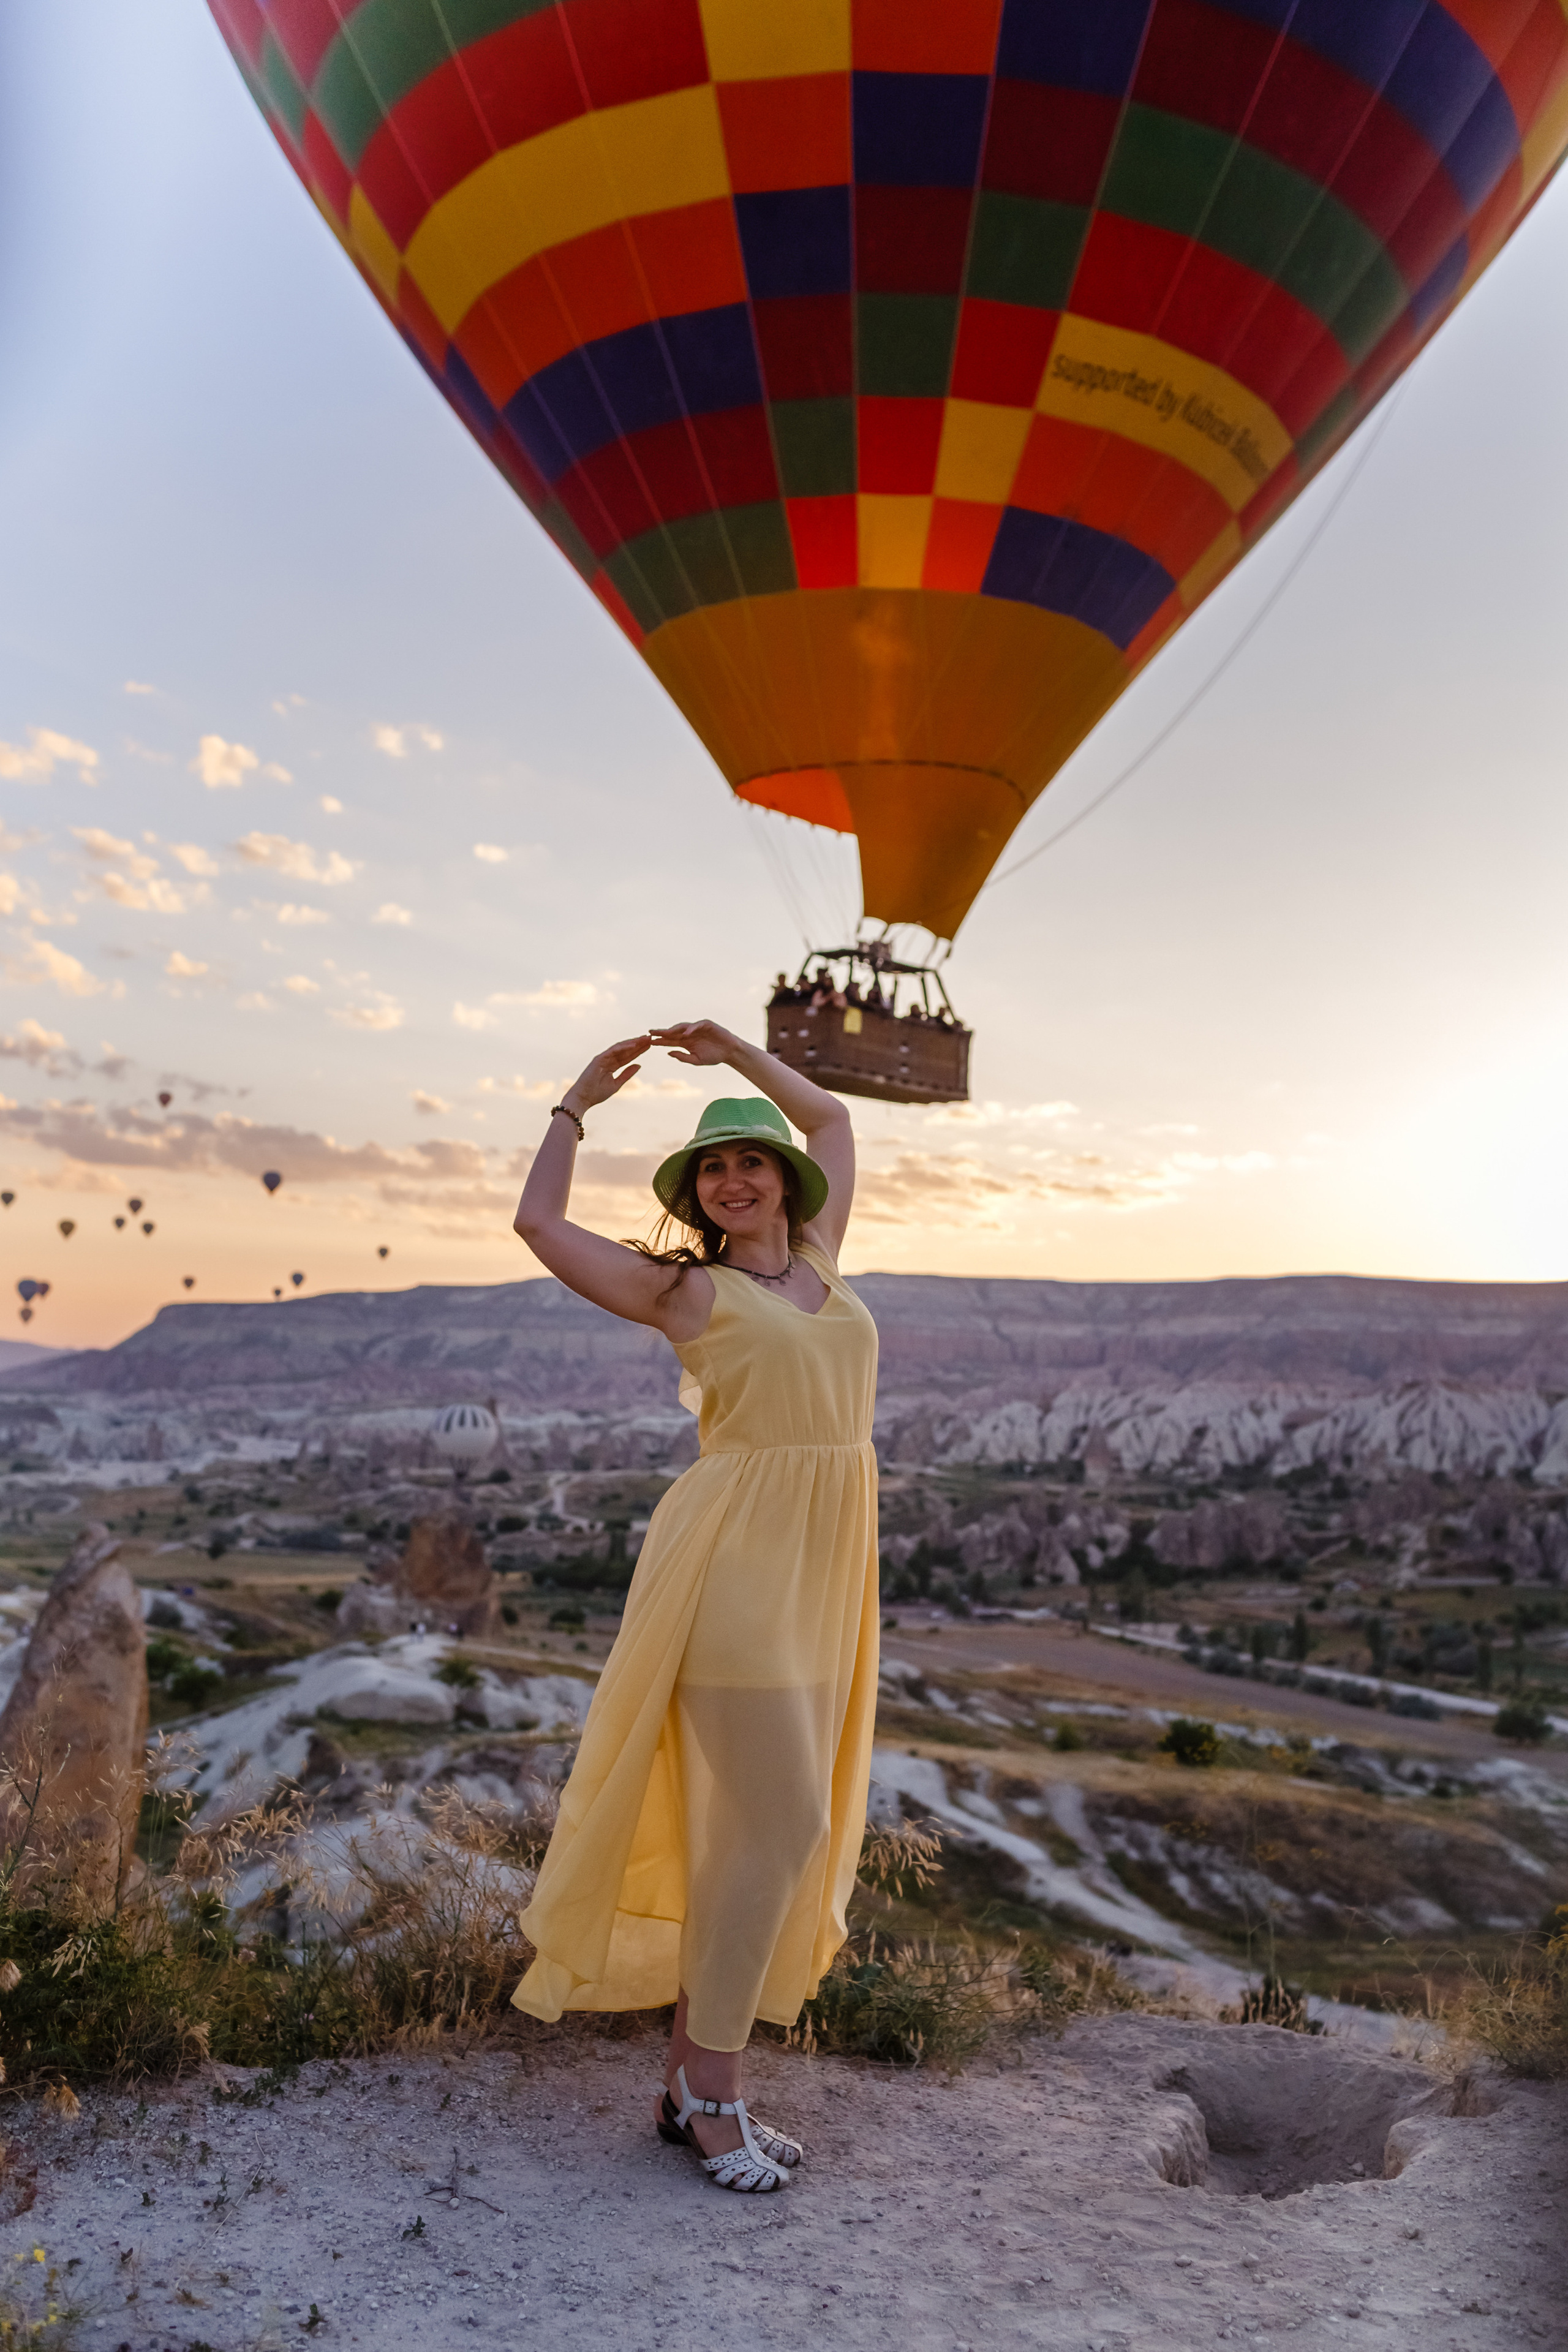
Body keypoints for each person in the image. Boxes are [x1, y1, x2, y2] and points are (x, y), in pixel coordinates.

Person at [509, 1020, 877, 2196]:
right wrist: (576, 1103)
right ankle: (716, 2095)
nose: (732, 1179)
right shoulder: (687, 1291)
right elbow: (540, 1228)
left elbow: (834, 1118)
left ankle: (684, 2087)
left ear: (783, 1185)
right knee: (784, 1831)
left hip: (825, 1580)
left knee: (754, 1835)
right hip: (731, 1573)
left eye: (749, 1164)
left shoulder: (822, 1259)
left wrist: (735, 1058)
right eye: (713, 1169)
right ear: (699, 1199)